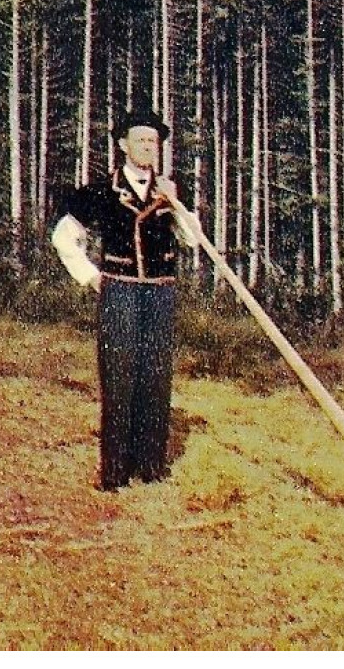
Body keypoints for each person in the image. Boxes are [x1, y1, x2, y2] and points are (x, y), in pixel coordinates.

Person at [51, 109, 204, 491]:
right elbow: (63, 237)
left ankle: (151, 470)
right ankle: (116, 475)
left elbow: (193, 239)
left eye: (154, 141)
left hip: (160, 293)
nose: (149, 147)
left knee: (155, 376)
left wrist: (177, 204)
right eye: (141, 140)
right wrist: (91, 277)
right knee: (119, 378)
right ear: (123, 146)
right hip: (118, 291)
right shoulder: (103, 190)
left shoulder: (167, 192)